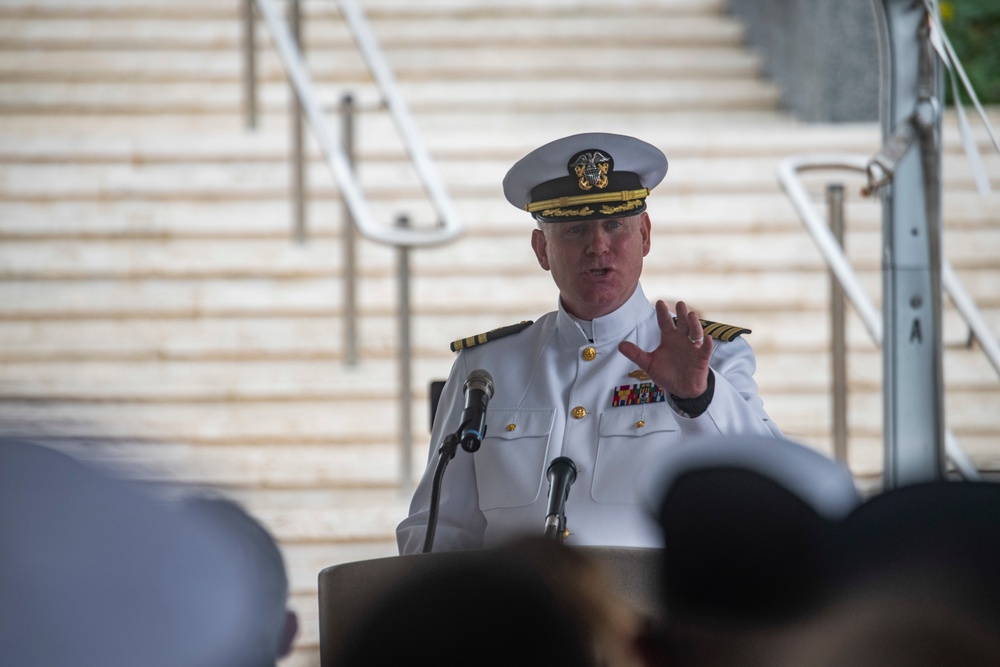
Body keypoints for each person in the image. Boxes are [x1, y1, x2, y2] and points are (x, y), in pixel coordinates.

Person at [397, 132, 782, 554]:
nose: (598, 246)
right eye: (575, 229)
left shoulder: (708, 354)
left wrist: (698, 397)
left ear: (646, 235)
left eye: (615, 225)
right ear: (542, 249)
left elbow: (772, 487)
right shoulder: (485, 368)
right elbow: (440, 526)